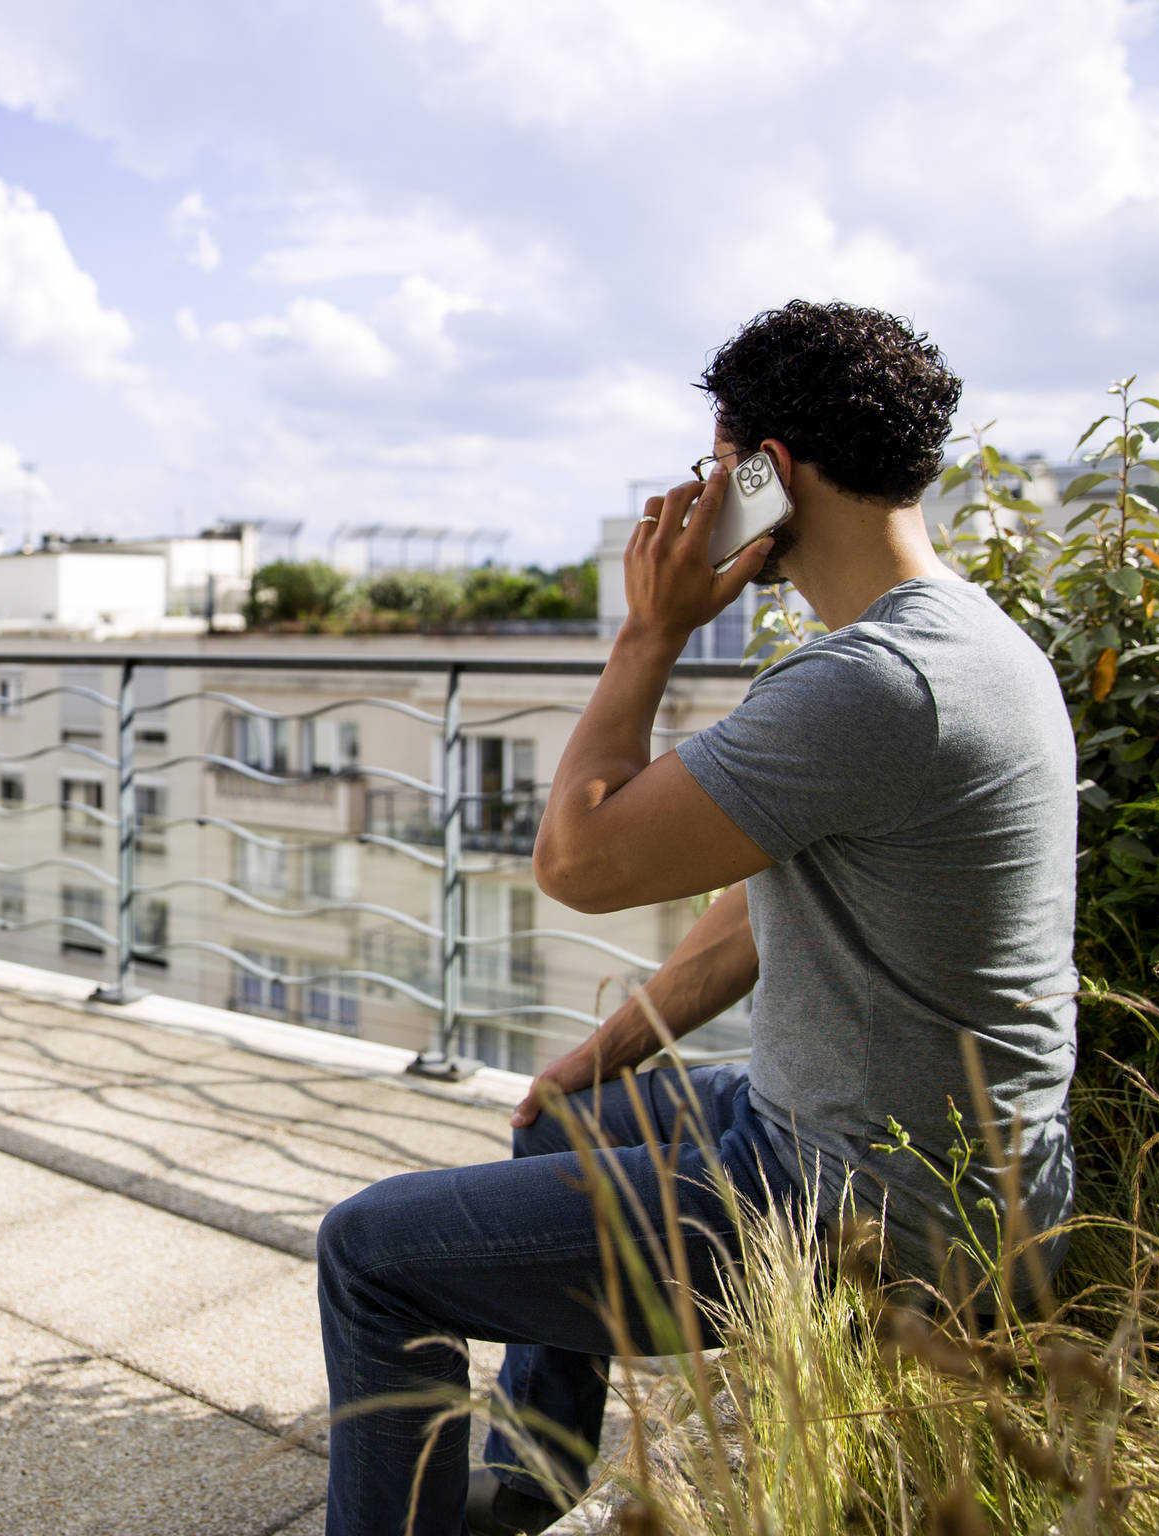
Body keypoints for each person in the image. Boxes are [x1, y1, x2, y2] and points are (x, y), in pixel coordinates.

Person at [316, 301, 1078, 1536]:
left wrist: (649, 629)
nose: (701, 492)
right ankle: (528, 1483)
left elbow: (575, 861)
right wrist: (605, 1051)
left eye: (713, 466)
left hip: (857, 1203)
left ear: (766, 472)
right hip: (914, 1159)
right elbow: (752, 910)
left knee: (367, 1255)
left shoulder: (873, 684)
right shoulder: (970, 639)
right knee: (565, 1122)